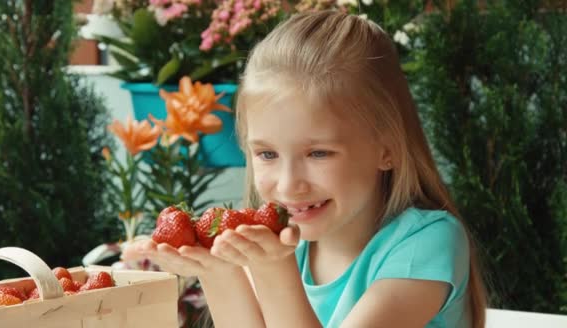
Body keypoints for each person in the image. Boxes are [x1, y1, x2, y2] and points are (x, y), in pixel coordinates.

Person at [123, 10, 487, 328]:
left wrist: (274, 271)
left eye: (318, 154)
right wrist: (216, 270)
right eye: (267, 155)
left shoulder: (426, 244)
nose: (288, 185)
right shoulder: (285, 244)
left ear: (387, 149)